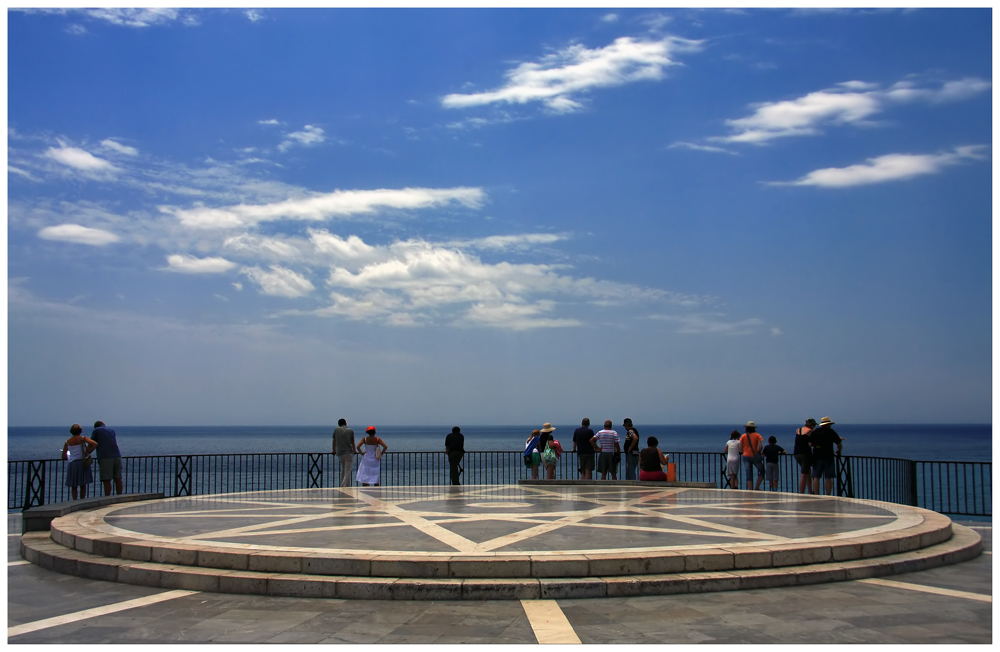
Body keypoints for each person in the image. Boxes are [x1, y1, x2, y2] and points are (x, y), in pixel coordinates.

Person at [62, 424, 97, 500]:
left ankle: (74, 500)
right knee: (83, 484)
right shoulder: (82, 438)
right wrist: (88, 452)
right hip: (82, 462)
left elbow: (63, 456)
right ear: (80, 431)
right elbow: (95, 444)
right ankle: (82, 500)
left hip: (73, 463)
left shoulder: (67, 442)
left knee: (74, 485)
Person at [810, 417, 843, 496]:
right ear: (828, 424)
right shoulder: (831, 432)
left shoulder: (815, 432)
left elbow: (810, 444)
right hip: (828, 456)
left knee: (816, 476)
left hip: (817, 456)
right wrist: (839, 451)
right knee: (828, 477)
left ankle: (816, 493)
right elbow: (838, 443)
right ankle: (828, 494)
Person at [91, 420, 123, 497]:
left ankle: (107, 497)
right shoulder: (111, 430)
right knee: (118, 478)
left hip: (105, 457)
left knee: (106, 479)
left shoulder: (96, 430)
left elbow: (92, 443)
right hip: (117, 456)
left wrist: (86, 452)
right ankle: (120, 496)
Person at [793, 418, 817, 494]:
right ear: (812, 425)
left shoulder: (798, 430)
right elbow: (811, 443)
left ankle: (810, 490)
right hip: (805, 454)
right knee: (804, 473)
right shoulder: (811, 432)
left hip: (796, 453)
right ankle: (801, 492)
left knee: (807, 471)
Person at [740, 421, 765, 491]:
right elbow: (760, 446)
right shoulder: (757, 435)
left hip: (746, 455)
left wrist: (743, 451)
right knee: (762, 471)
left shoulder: (743, 436)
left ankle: (750, 489)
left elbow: (740, 446)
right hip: (754, 455)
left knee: (749, 473)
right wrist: (758, 452)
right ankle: (757, 487)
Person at [332, 418, 356, 488]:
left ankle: (341, 484)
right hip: (349, 453)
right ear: (346, 423)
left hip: (340, 453)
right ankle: (346, 486)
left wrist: (334, 450)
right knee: (348, 470)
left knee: (343, 469)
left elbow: (334, 441)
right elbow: (353, 442)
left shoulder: (336, 430)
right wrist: (354, 451)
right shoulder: (351, 431)